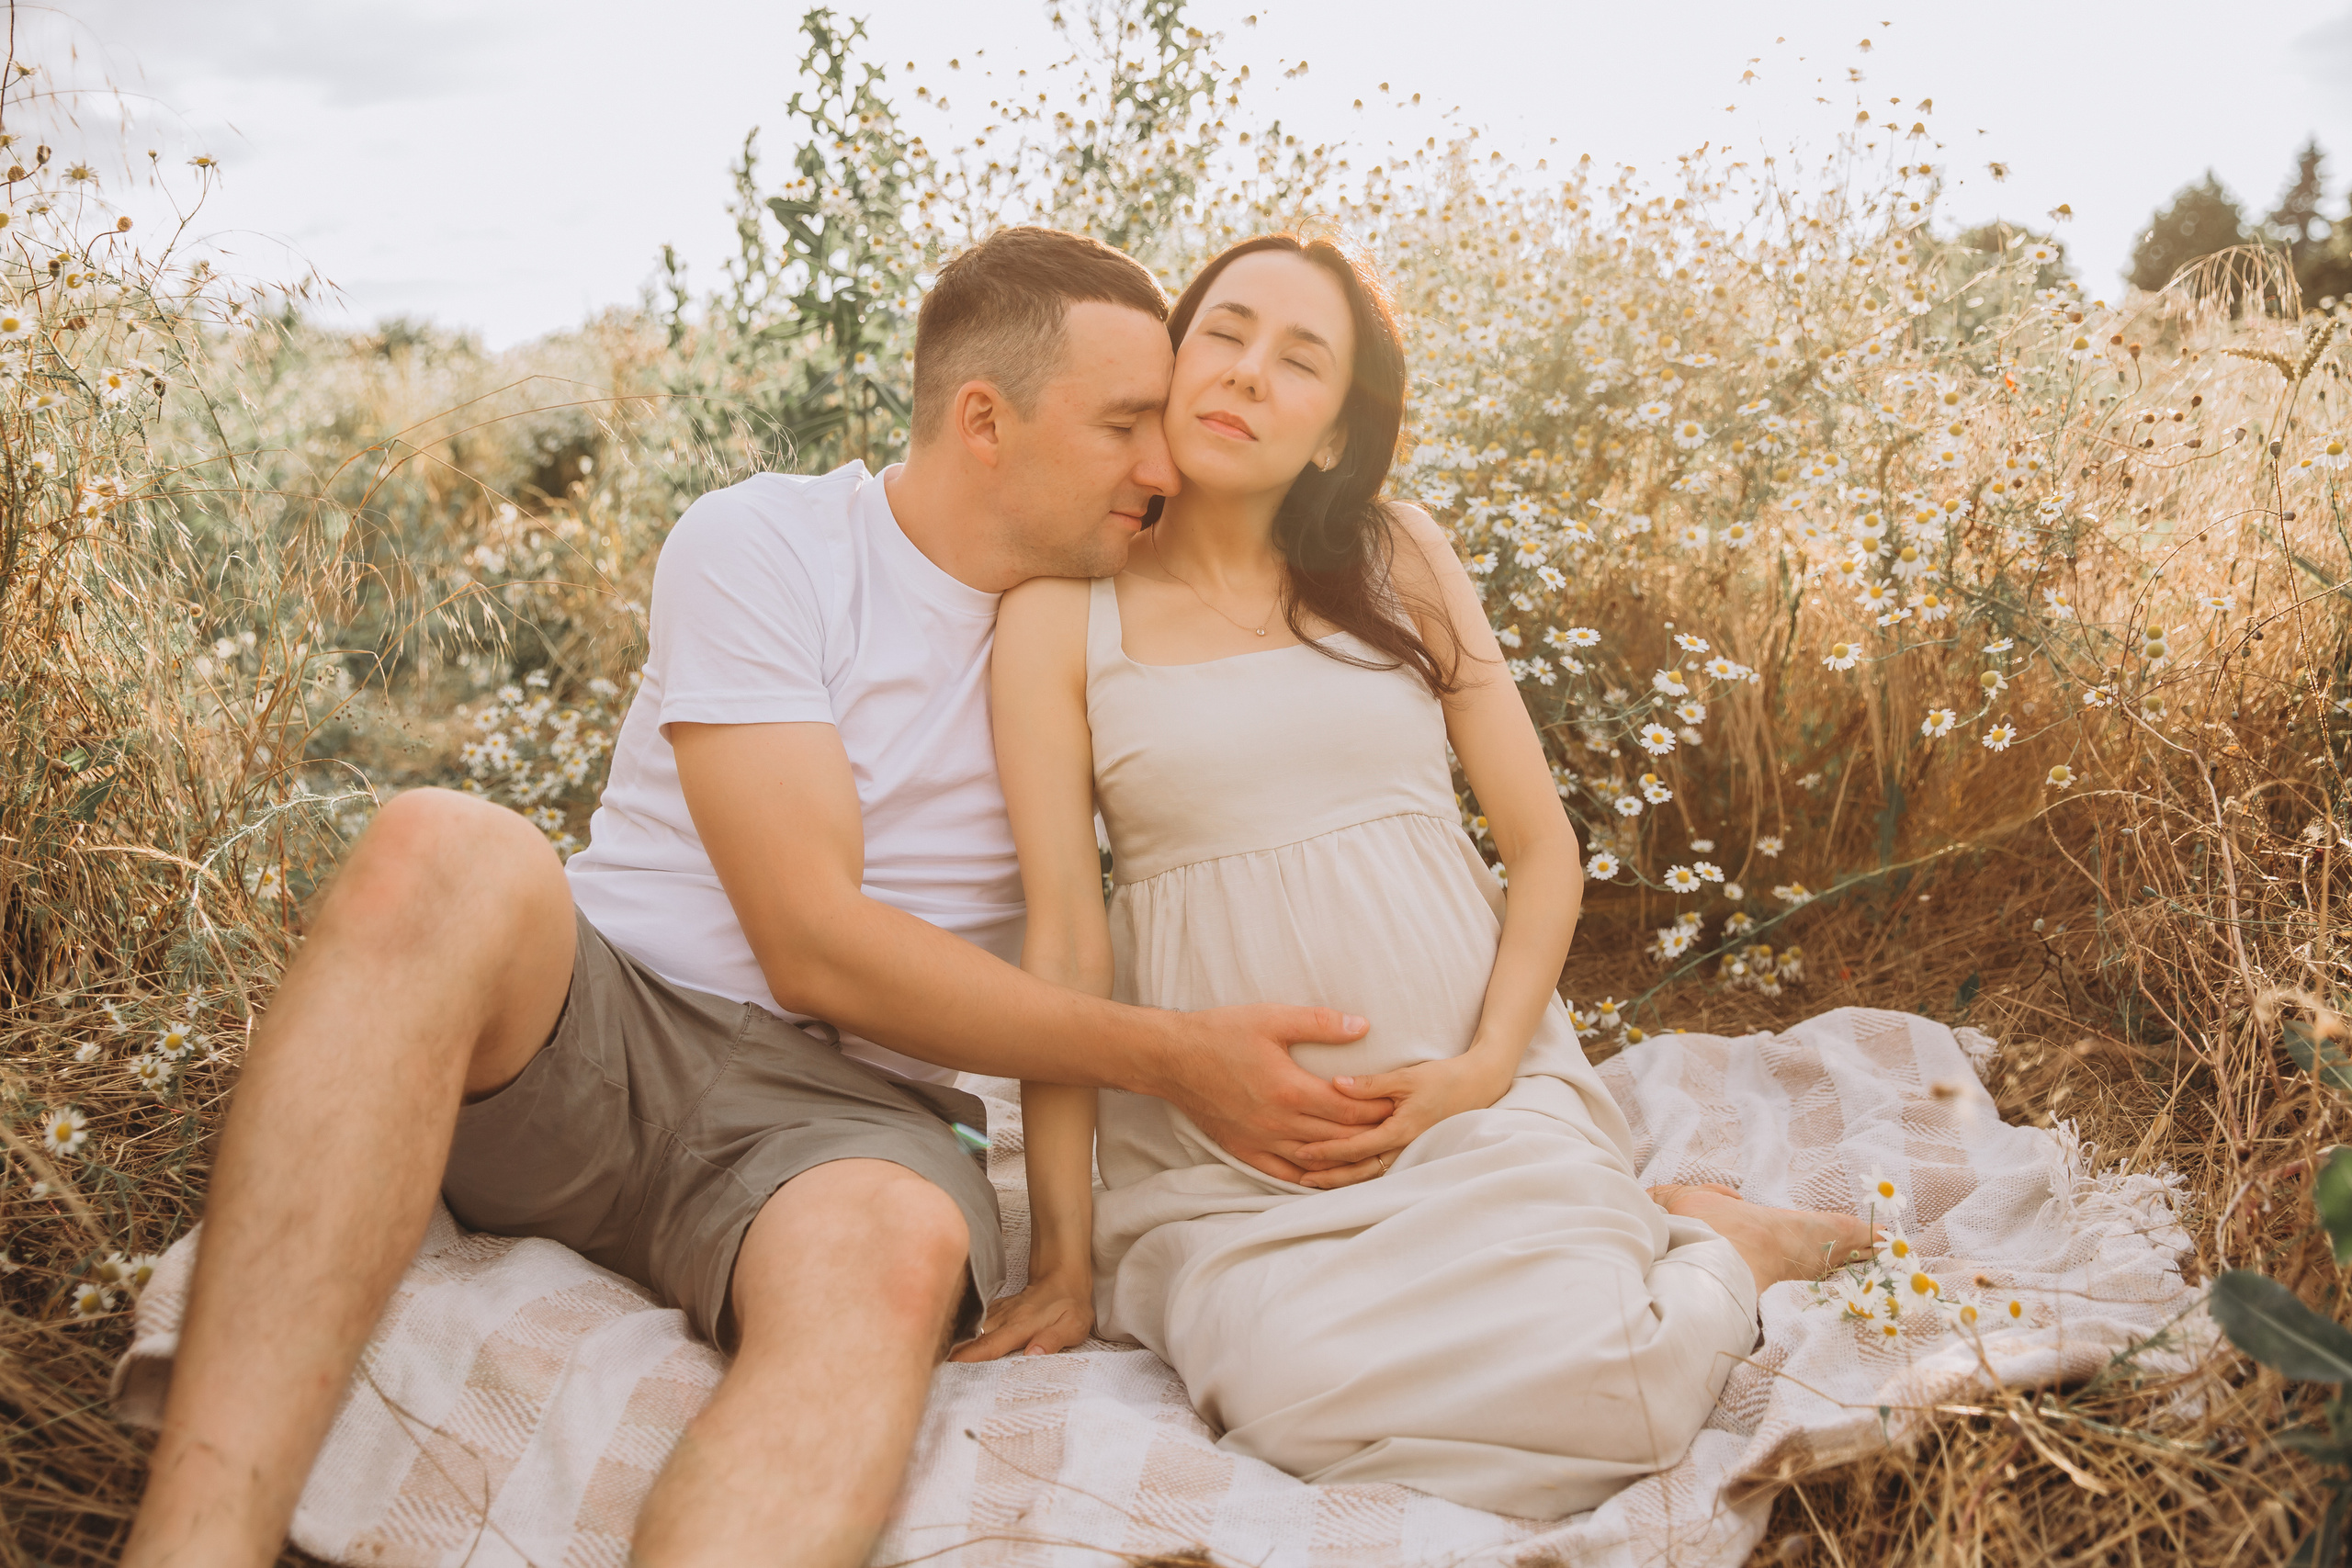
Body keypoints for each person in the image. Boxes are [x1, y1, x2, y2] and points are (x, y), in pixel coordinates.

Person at [119, 227, 1391, 1568]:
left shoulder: (1117, 619)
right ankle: (197, 1544)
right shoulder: (766, 540)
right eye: (1128, 423)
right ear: (984, 421)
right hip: (599, 1033)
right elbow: (810, 943)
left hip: (851, 1128)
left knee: (903, 1245)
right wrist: (1178, 1059)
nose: (1162, 465)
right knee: (441, 842)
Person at [959, 231, 1875, 1518]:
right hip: (1236, 1164)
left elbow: (1544, 848)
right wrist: (1062, 1260)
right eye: (1221, 333)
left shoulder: (1397, 558)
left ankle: (1726, 1241)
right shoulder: (1064, 613)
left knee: (1618, 1382)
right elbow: (1063, 947)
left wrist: (1485, 1069)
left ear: (1336, 431)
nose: (1244, 375)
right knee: (1301, 1405)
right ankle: (1662, 1236)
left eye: (1299, 359)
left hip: (1467, 1094)